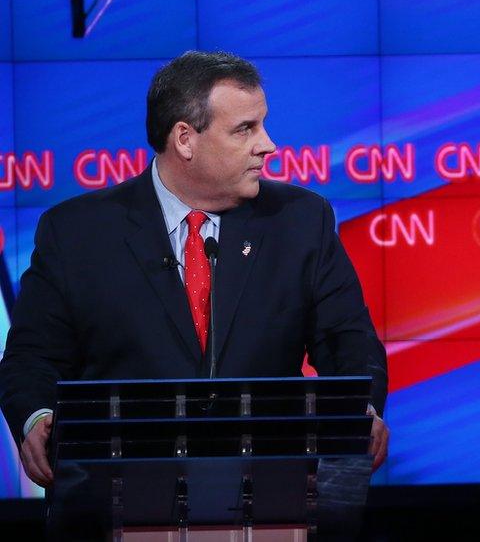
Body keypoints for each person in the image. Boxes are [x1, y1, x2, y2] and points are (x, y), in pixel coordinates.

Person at [0, 51, 390, 488]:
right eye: (245, 129)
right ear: (184, 139)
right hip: (115, 489)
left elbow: (349, 342)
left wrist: (363, 409)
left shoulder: (300, 221)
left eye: (261, 124)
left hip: (267, 489)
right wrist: (37, 417)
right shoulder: (77, 233)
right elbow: (31, 357)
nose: (268, 144)